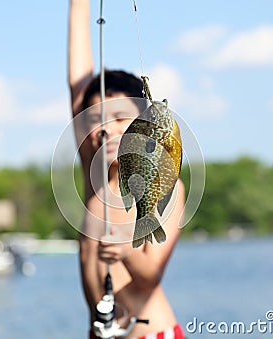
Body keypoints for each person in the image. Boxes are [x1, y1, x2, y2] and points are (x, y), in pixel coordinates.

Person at [68, 0, 186, 338]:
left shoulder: (164, 185)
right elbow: (78, 83)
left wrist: (123, 252)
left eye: (120, 118)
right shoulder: (96, 172)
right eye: (97, 120)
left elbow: (150, 276)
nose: (108, 129)